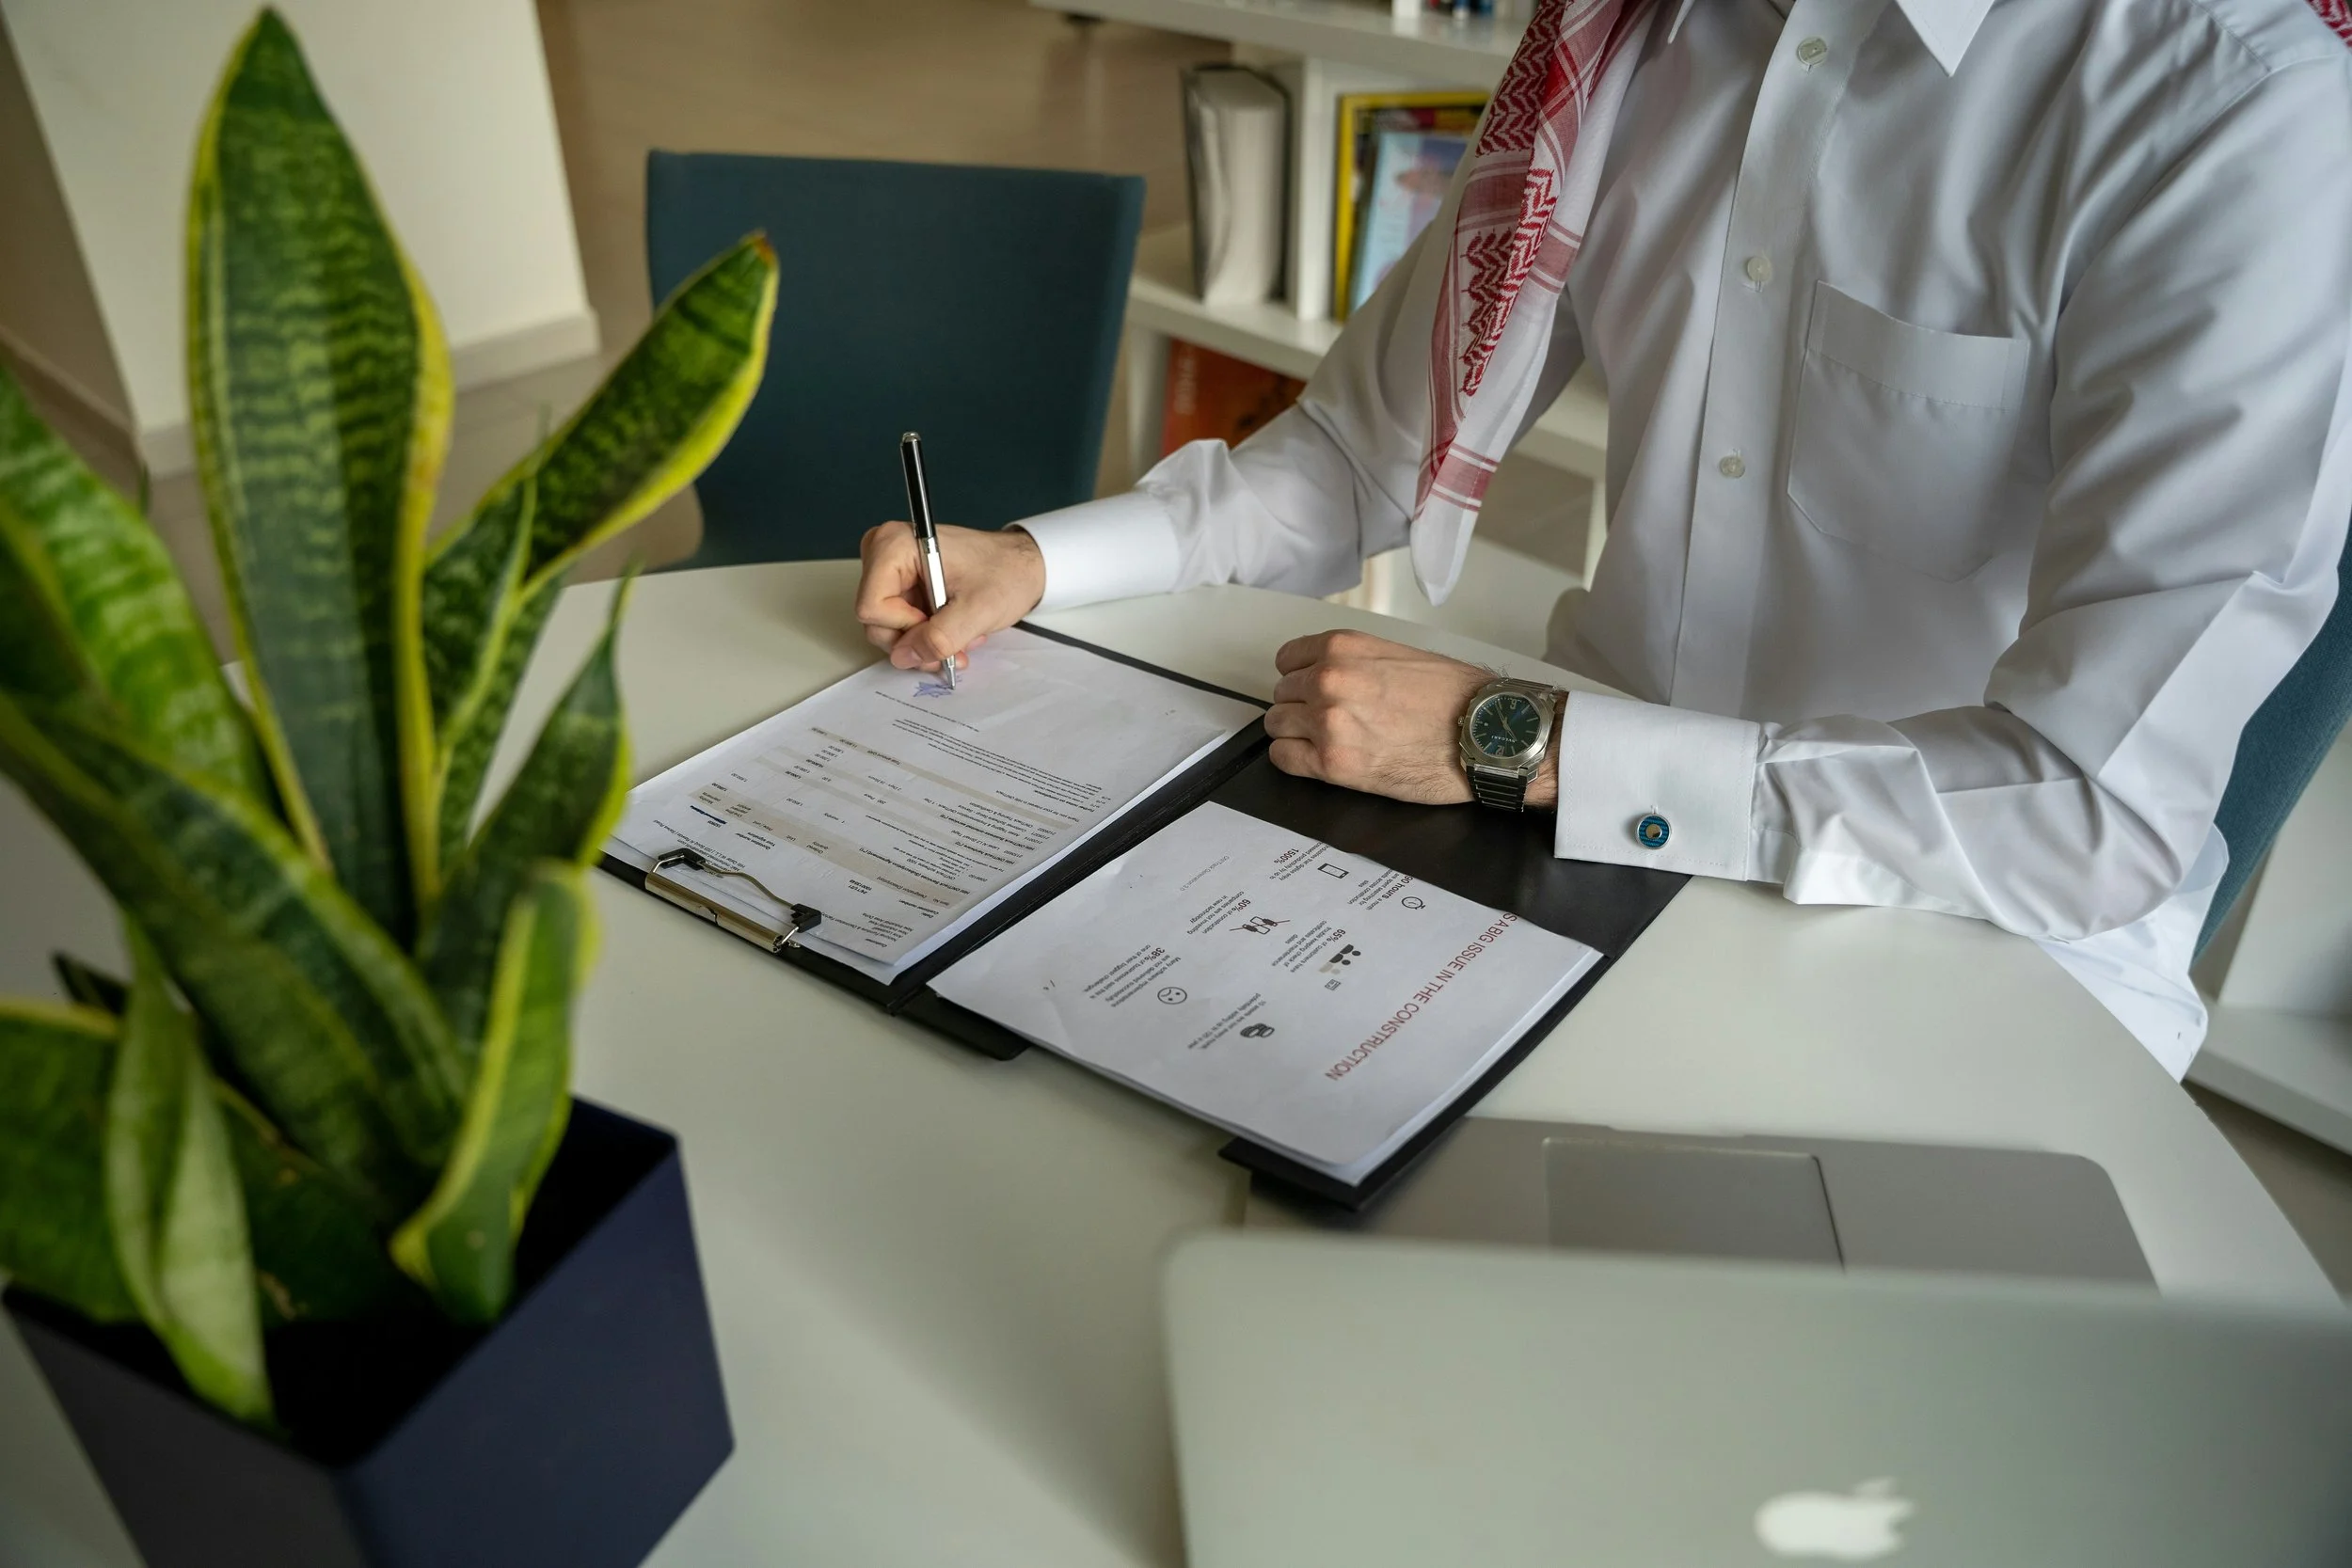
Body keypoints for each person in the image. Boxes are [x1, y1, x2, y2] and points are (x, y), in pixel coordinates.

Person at [856, 0, 2352, 1077]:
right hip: (1563, 862)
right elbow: (1351, 460)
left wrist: (1528, 743)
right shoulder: (1638, 36)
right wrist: (1042, 561)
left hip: (1980, 954)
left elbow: (2086, 808)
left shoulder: (2234, 105)